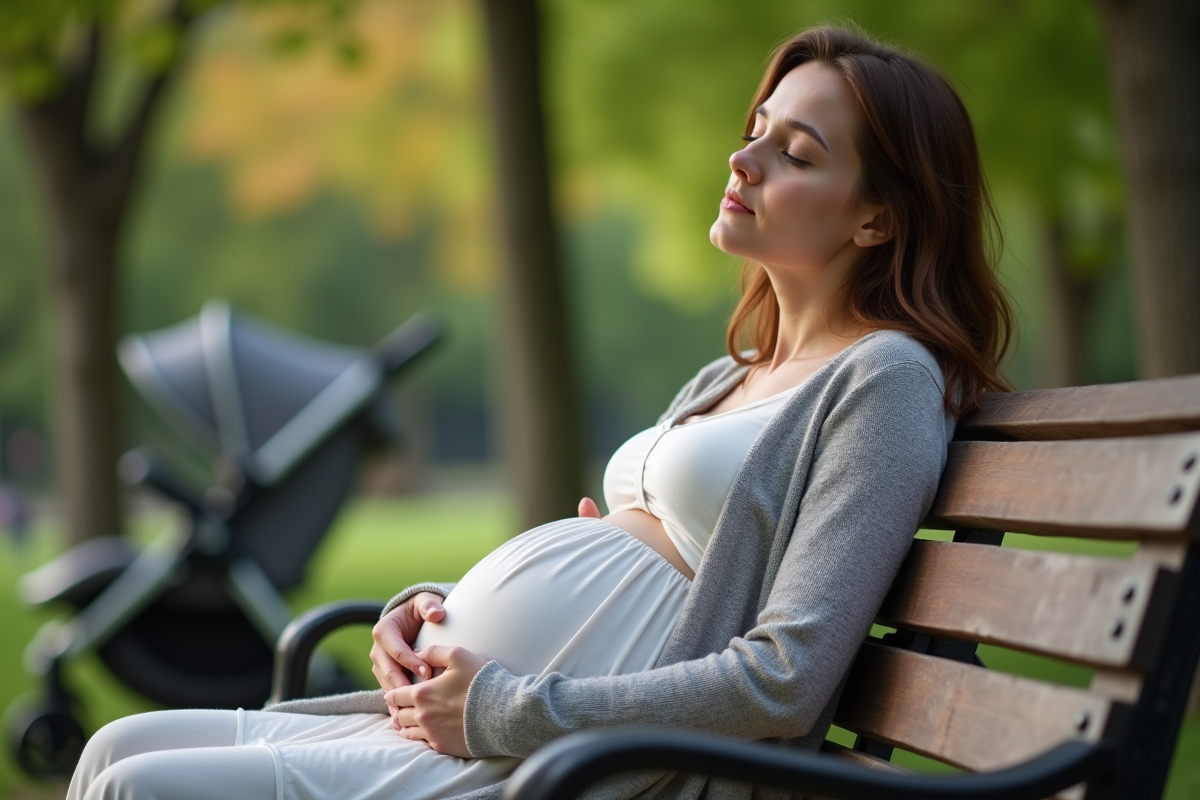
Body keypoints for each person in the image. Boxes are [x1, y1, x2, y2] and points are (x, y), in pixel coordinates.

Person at [67, 24, 1012, 800]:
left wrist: (507, 705)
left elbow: (785, 677)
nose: (744, 157)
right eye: (757, 127)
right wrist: (426, 617)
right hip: (479, 726)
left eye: (794, 152)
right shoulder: (736, 371)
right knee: (115, 747)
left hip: (561, 765)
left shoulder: (884, 379)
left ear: (876, 219)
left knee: (137, 787)